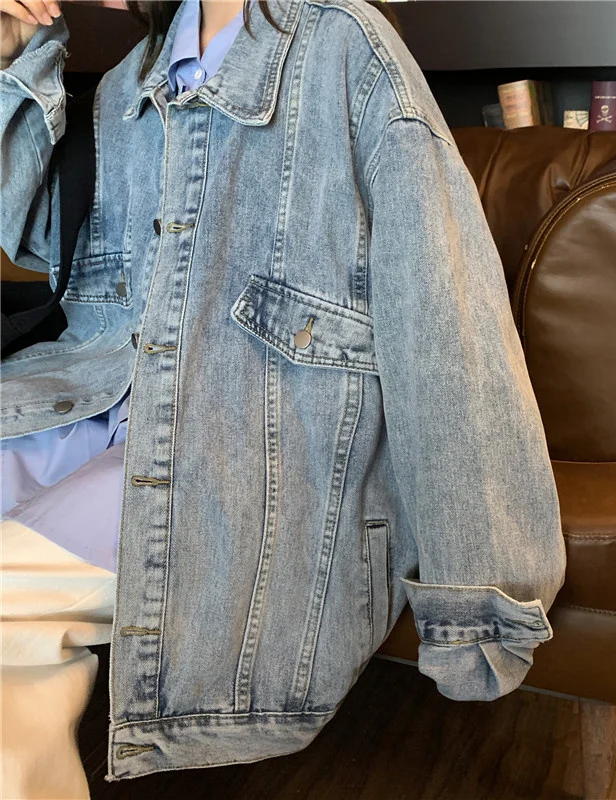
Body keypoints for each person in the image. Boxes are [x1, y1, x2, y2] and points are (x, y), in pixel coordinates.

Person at [0, 0, 567, 797]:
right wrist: (18, 59)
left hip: (252, 443)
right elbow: (41, 236)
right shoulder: (133, 78)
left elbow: (443, 311)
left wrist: (481, 592)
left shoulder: (346, 47)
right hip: (90, 403)